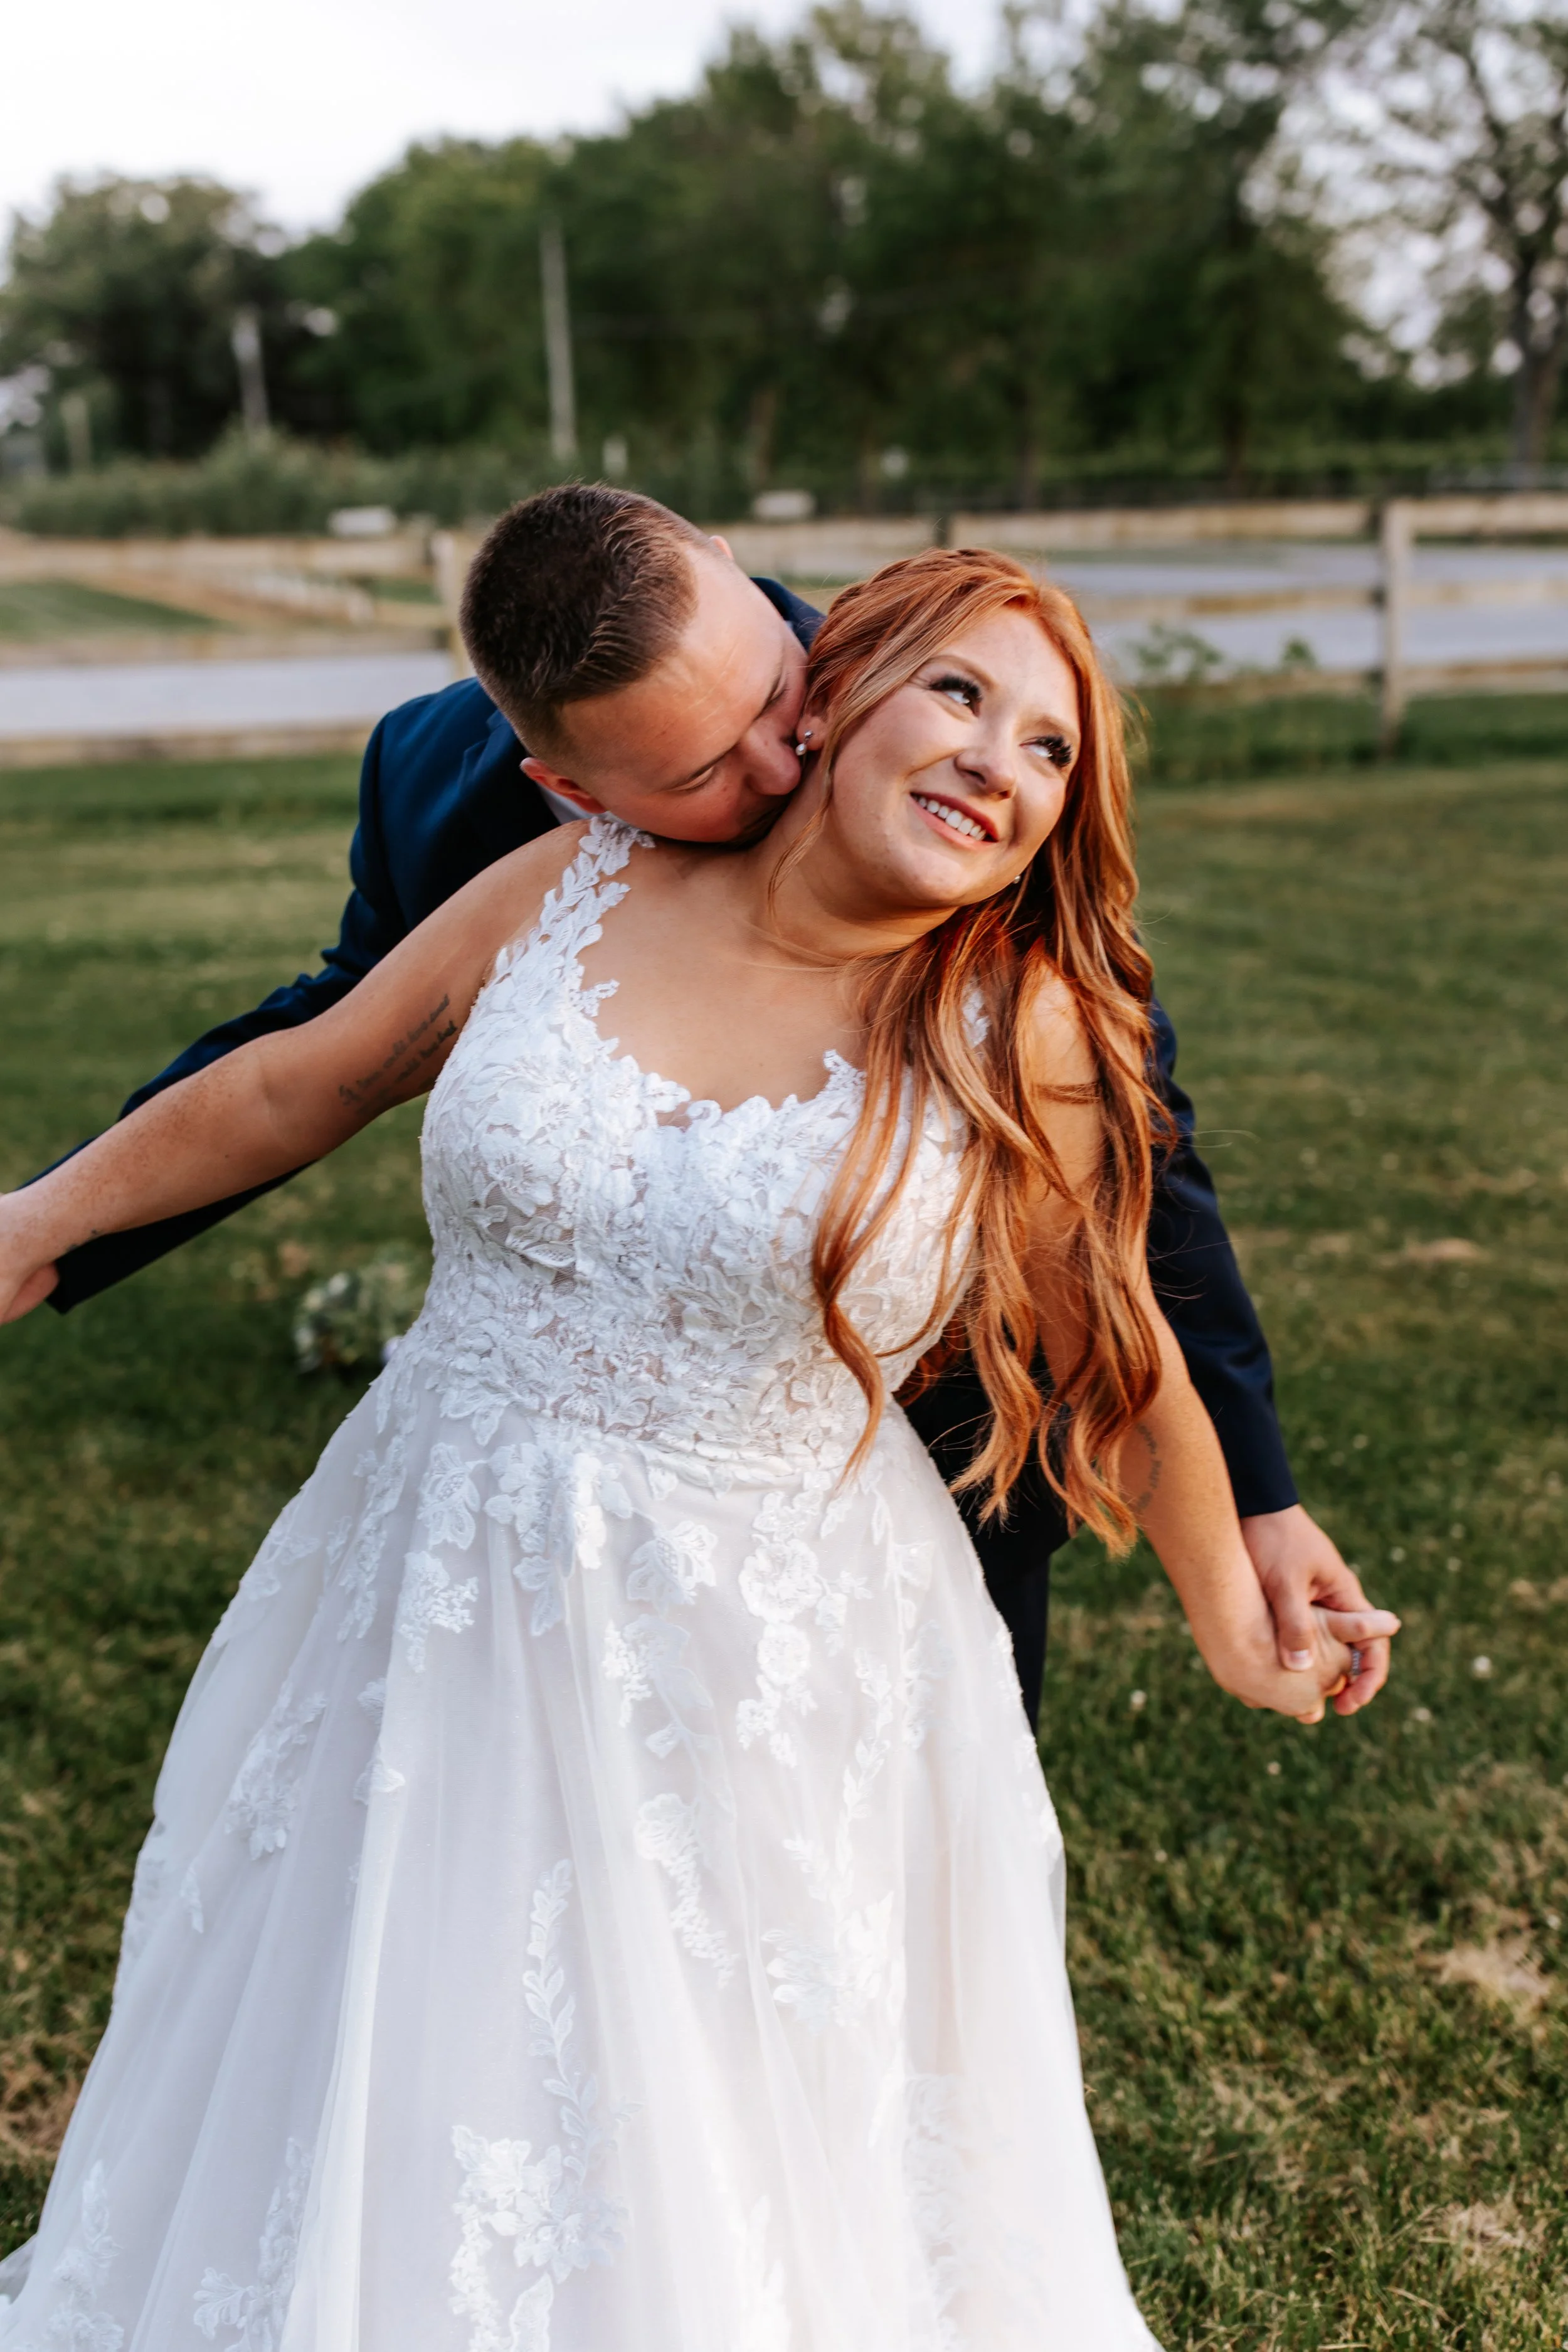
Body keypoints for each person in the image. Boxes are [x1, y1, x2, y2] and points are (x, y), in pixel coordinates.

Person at [0, 539, 1396, 2347]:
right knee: (402, 2004)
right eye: (961, 695)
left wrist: (1237, 1595)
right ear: (835, 706)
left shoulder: (1016, 1023)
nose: (997, 758)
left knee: (707, 2078)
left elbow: (1117, 1352)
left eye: (1050, 748)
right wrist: (34, 1223)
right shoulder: (563, 872)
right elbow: (307, 1071)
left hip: (758, 1631)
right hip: (435, 1560)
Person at [24, 487, 1392, 1730]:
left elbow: (1116, 1255)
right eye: (701, 772)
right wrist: (41, 1224)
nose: (790, 757)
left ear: (749, 586)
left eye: (774, 691)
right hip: (484, 1522)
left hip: (900, 1451)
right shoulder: (505, 840)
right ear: (571, 787)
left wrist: (1248, 1529)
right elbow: (307, 1065)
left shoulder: (942, 766)